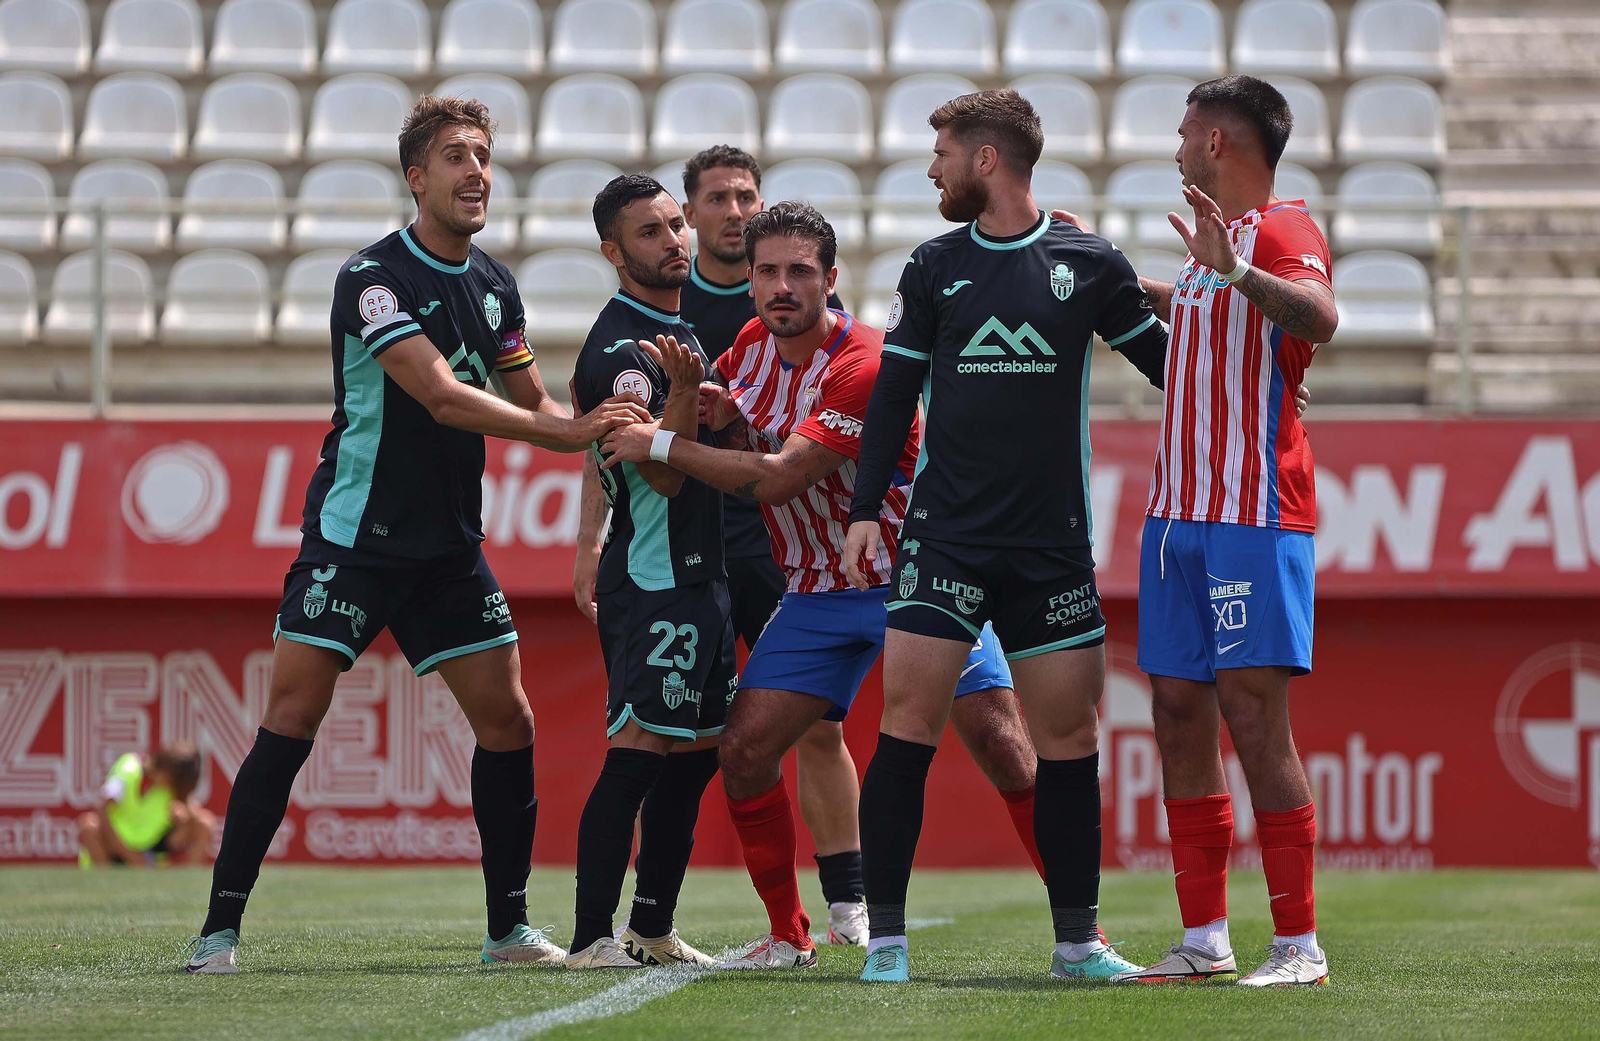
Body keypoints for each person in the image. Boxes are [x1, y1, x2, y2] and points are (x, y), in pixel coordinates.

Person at [182, 95, 648, 975]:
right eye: (457, 157)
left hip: (445, 550)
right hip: (353, 541)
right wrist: (566, 433)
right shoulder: (372, 278)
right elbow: (438, 394)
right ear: (416, 177)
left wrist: (611, 423)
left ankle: (507, 929)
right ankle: (219, 931)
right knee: (292, 717)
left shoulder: (494, 285)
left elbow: (533, 404)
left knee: (509, 718)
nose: (477, 172)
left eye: (484, 156)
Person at [600, 203, 1047, 970]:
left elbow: (777, 480)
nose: (781, 286)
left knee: (1007, 749)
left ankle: (1080, 931)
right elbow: (745, 433)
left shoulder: (864, 361)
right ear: (749, 282)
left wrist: (662, 439)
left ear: (830, 280)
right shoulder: (746, 346)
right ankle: (788, 934)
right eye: (766, 271)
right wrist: (721, 413)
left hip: (921, 581)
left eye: (799, 272)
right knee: (743, 751)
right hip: (813, 592)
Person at [841, 90, 1169, 984]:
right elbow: (893, 398)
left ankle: (1078, 944)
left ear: (987, 160)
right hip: (942, 539)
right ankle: (888, 943)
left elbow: (1172, 365)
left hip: (1050, 547)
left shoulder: (1090, 262)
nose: (932, 168)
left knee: (1066, 738)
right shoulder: (933, 265)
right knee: (905, 727)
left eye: (942, 151)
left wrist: (1260, 382)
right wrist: (867, 509)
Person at [572, 144, 867, 945]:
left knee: (739, 740)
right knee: (659, 746)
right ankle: (599, 932)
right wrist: (587, 536)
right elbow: (625, 446)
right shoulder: (655, 329)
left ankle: (839, 904)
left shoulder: (784, 303)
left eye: (747, 197)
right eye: (708, 203)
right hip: (675, 554)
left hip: (759, 545)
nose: (729, 213)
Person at [1106, 75, 1337, 988]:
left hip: (1251, 513)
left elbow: (1319, 317)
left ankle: (1299, 946)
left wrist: (1239, 271)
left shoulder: (1280, 228)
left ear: (1215, 142)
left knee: (1254, 716)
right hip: (1175, 516)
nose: (1173, 141)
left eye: (1183, 129)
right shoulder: (1209, 247)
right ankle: (1205, 937)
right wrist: (1116, 280)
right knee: (1175, 714)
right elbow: (1207, 314)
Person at [564, 174, 733, 971]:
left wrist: (582, 539)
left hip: (702, 574)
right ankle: (592, 936)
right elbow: (655, 475)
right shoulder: (626, 353)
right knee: (636, 752)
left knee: (693, 758)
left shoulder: (676, 332)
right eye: (650, 232)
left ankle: (653, 926)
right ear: (613, 252)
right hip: (659, 573)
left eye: (675, 225)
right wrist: (690, 396)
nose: (673, 240)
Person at [79, 744, 213, 867]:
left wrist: (184, 817)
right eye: (170, 780)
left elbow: (194, 811)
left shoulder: (170, 787)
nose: (168, 786)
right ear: (166, 770)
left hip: (151, 846)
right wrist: (129, 854)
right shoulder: (128, 769)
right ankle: (105, 881)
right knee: (89, 826)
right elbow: (102, 810)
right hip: (118, 844)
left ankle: (186, 882)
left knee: (205, 823)